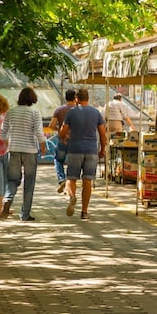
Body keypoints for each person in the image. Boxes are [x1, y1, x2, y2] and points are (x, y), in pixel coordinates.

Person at [0, 87, 47, 221]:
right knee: (29, 183)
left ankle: (7, 199)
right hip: (30, 151)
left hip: (14, 150)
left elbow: (2, 134)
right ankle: (25, 214)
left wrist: (10, 142)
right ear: (32, 99)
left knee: (13, 180)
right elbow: (38, 132)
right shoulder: (34, 113)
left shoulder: (11, 112)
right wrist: (43, 146)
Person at [60, 89, 108, 220]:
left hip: (75, 149)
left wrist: (64, 138)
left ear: (77, 99)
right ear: (88, 98)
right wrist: (102, 149)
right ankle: (84, 212)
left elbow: (62, 131)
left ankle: (72, 197)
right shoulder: (96, 113)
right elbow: (103, 133)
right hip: (91, 150)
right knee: (87, 180)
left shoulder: (71, 112)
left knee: (71, 178)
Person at [48, 89, 77, 193]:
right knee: (72, 161)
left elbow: (51, 125)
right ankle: (70, 181)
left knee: (58, 160)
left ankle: (61, 179)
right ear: (75, 98)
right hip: (75, 140)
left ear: (65, 98)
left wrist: (59, 129)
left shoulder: (59, 110)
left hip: (62, 139)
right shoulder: (79, 110)